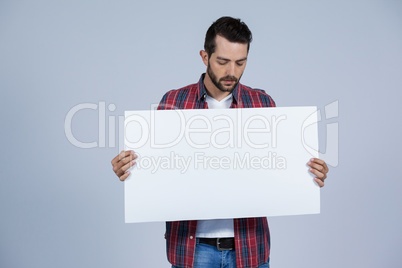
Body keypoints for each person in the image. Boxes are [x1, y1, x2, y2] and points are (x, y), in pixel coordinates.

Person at [111, 16, 329, 268]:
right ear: (205, 57)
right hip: (192, 250)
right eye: (223, 62)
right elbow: (159, 171)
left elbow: (277, 168)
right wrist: (131, 169)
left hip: (249, 248)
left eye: (240, 62)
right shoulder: (173, 103)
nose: (231, 72)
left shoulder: (262, 104)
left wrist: (308, 173)